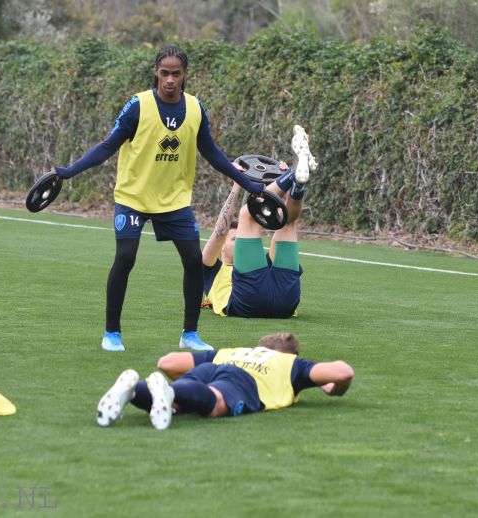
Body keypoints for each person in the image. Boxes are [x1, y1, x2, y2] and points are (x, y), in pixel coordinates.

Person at [53, 45, 264, 353]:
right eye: (164, 73)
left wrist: (248, 183)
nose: (169, 79)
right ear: (156, 72)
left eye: (176, 74)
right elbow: (107, 146)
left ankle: (189, 334)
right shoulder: (138, 106)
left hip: (174, 201)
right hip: (133, 197)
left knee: (194, 261)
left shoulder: (194, 108)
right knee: (125, 258)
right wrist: (69, 172)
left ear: (185, 75)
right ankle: (112, 333)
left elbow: (213, 153)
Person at [95, 332, 354, 430]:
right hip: (243, 383)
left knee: (177, 398)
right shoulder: (291, 365)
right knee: (216, 404)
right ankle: (170, 393)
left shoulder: (232, 351)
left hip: (214, 366)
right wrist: (326, 386)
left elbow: (167, 363)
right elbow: (343, 372)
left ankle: (133, 390)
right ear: (290, 354)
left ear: (259, 346)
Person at [200, 125, 318, 318]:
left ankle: (297, 181)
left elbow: (279, 212)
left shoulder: (263, 264)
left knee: (285, 222)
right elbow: (220, 231)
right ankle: (292, 174)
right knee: (248, 213)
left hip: (286, 303)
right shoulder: (209, 270)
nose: (239, 240)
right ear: (221, 249)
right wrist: (237, 184)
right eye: (234, 239)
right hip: (248, 301)